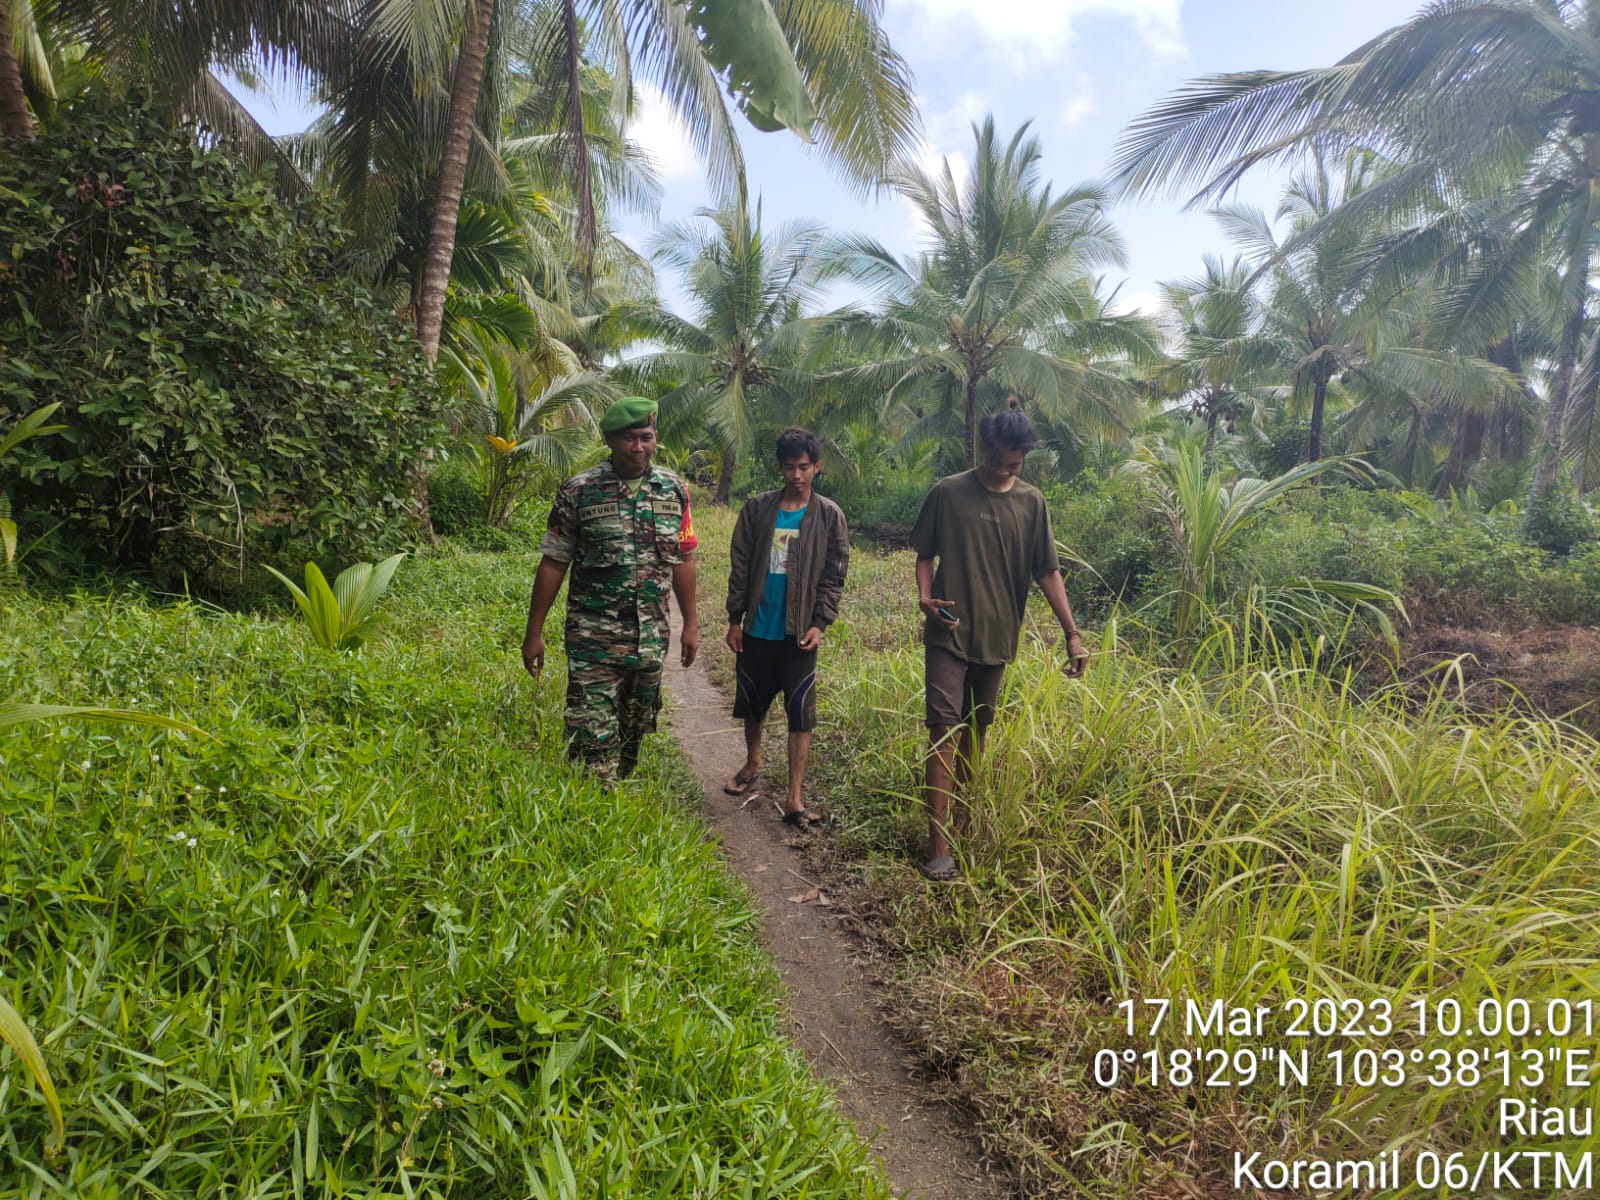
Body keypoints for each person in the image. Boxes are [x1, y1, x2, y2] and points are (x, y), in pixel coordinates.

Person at [910, 402, 1087, 880]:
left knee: (977, 731)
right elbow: (925, 554)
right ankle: (937, 844)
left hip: (999, 635)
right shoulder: (949, 493)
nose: (1006, 471)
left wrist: (1071, 634)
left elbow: (1047, 571)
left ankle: (964, 820)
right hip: (948, 631)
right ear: (983, 450)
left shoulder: (1032, 502)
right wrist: (926, 598)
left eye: (1015, 465)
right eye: (999, 461)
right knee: (943, 731)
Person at [522, 395, 699, 784]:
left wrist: (691, 625)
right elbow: (554, 562)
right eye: (629, 439)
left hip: (650, 638)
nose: (638, 448)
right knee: (591, 735)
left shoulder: (673, 491)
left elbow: (684, 558)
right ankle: (595, 806)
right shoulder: (579, 491)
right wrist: (534, 632)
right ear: (610, 441)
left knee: (635, 726)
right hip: (593, 639)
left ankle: (617, 794)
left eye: (646, 437)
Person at [723, 427, 849, 826]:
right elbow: (739, 564)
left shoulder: (829, 516)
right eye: (790, 467)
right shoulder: (758, 510)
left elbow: (835, 573)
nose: (797, 475)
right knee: (753, 702)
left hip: (799, 634)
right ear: (780, 467)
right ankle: (752, 760)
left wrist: (820, 622)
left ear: (817, 467)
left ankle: (795, 797)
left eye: (804, 467)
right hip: (758, 626)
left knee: (800, 711)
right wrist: (734, 618)